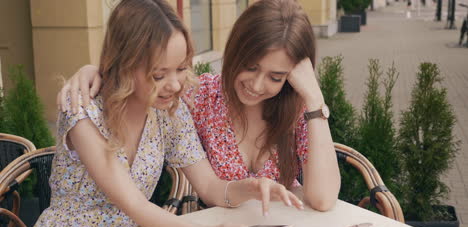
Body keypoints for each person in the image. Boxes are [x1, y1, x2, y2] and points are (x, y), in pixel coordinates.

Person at [16, 0, 303, 227]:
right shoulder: (83, 111)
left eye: (180, 68)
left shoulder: (168, 112)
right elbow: (135, 205)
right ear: (125, 64)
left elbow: (211, 188)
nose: (176, 85)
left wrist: (250, 188)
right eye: (159, 74)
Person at [58, 0, 340, 214]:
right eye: (250, 66)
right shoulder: (201, 95)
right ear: (234, 52)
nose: (256, 84)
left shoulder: (298, 108)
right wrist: (98, 71)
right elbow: (149, 83)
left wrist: (315, 102)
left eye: (275, 77)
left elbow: (323, 199)